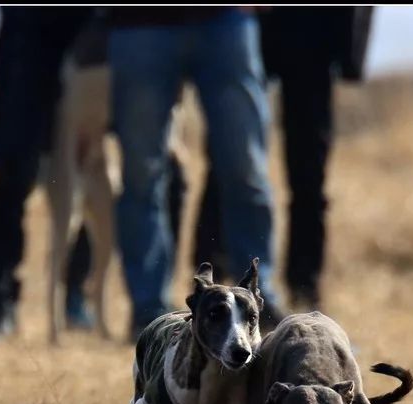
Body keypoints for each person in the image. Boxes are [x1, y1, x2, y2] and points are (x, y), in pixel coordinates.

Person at [107, 7, 285, 339]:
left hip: (226, 19)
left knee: (245, 168)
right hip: (139, 21)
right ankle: (150, 316)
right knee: (141, 175)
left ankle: (260, 303)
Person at [193, 7, 375, 310]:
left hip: (316, 30)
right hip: (247, 22)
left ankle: (305, 291)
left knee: (308, 177)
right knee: (229, 160)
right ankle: (209, 283)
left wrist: (352, 52)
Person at [0, 7, 93, 342]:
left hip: (94, 25)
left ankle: (75, 294)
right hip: (27, 27)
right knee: (10, 170)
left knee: (93, 167)